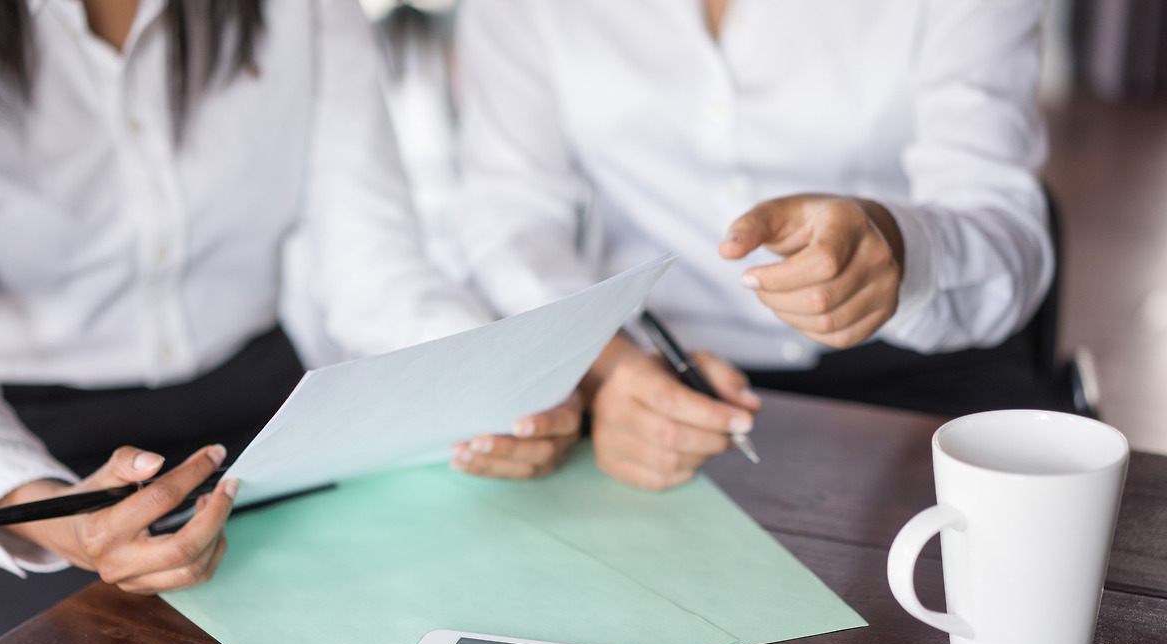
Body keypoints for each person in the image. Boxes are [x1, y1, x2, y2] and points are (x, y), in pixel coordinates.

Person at [0, 0, 579, 644]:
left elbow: (374, 268)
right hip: (39, 452)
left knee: (416, 632)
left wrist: (496, 378)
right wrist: (49, 513)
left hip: (265, 421)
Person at [454, 0, 1063, 490]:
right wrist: (605, 364)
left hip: (919, 379)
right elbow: (510, 216)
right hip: (641, 373)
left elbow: (1007, 230)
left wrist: (901, 249)